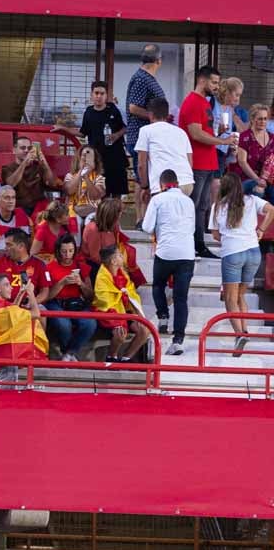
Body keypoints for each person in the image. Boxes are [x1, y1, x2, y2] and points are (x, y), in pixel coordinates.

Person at [211, 173, 274, 356]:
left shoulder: (218, 206)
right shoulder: (253, 200)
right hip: (253, 253)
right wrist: (261, 230)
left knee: (230, 299)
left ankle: (239, 334)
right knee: (241, 295)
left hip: (232, 253)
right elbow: (272, 210)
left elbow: (215, 235)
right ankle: (244, 331)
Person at [179, 66, 235, 258]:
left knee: (202, 205)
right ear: (202, 81)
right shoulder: (193, 102)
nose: (217, 87)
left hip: (208, 161)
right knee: (194, 204)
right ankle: (192, 243)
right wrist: (222, 141)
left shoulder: (204, 102)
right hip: (197, 162)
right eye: (214, 82)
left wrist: (218, 133)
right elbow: (195, 133)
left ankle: (199, 243)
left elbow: (204, 131)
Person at [141, 169, 196, 355]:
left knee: (158, 285)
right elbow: (193, 227)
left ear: (162, 185)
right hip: (187, 253)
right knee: (181, 298)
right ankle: (178, 340)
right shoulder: (189, 201)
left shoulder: (157, 200)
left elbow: (147, 227)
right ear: (178, 182)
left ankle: (163, 316)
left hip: (165, 252)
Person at [54, 80, 128, 198]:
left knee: (116, 193)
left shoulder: (113, 109)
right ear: (91, 95)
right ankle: (100, 215)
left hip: (115, 157)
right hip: (97, 158)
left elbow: (125, 128)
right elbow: (82, 133)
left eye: (102, 93)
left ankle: (115, 215)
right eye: (96, 93)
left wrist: (116, 136)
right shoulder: (88, 112)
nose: (99, 96)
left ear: (106, 95)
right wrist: (63, 128)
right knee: (100, 191)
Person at [0, 273, 42, 386]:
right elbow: (36, 314)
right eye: (7, 285)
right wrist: (30, 292)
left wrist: (21, 293)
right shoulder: (4, 307)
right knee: (7, 398)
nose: (11, 288)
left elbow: (11, 312)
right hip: (7, 357)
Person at [92, 245, 148, 364]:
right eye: (120, 255)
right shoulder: (102, 277)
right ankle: (111, 357)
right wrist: (122, 295)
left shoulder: (123, 273)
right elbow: (104, 300)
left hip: (125, 310)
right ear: (113, 261)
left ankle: (126, 358)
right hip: (109, 312)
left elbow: (131, 291)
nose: (123, 257)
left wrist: (128, 297)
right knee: (120, 332)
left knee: (145, 330)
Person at [124, 44, 167, 201]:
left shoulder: (145, 78)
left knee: (145, 178)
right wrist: (156, 117)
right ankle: (141, 219)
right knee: (142, 180)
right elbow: (133, 107)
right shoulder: (142, 78)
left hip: (148, 137)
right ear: (158, 61)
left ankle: (144, 218)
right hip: (141, 137)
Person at [44, 234, 95, 363]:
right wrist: (62, 283)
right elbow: (47, 296)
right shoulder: (49, 267)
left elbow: (90, 295)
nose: (67, 255)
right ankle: (69, 354)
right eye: (64, 251)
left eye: (71, 251)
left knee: (90, 323)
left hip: (76, 302)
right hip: (56, 302)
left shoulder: (81, 267)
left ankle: (69, 353)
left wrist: (81, 284)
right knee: (63, 324)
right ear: (58, 251)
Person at [135, 97, 193, 201]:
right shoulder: (181, 132)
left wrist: (145, 186)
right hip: (186, 182)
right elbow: (190, 161)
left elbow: (141, 164)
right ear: (167, 115)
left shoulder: (145, 131)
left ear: (150, 114)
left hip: (163, 184)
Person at [0, 228, 50, 302]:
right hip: (2, 307)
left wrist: (33, 302)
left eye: (9, 245)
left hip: (27, 308)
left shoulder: (39, 265)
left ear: (21, 246)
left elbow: (44, 292)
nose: (5, 248)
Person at [3, 137, 61, 217]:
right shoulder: (7, 168)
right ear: (14, 150)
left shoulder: (38, 166)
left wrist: (45, 164)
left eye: (29, 148)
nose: (26, 150)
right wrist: (24, 163)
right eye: (23, 148)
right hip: (19, 208)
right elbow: (11, 184)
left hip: (39, 208)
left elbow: (51, 183)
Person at [235, 103, 274, 202]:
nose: (263, 121)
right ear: (252, 119)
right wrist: (257, 180)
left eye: (265, 119)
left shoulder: (272, 137)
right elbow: (242, 162)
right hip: (248, 178)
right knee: (258, 190)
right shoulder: (244, 137)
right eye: (260, 118)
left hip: (267, 179)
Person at [63, 145, 106, 220]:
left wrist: (86, 176)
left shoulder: (99, 178)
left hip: (93, 211)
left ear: (94, 161)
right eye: (84, 155)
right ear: (79, 158)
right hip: (73, 210)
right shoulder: (69, 176)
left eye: (90, 156)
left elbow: (95, 196)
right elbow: (69, 191)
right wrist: (80, 171)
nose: (86, 159)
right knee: (77, 222)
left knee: (90, 220)